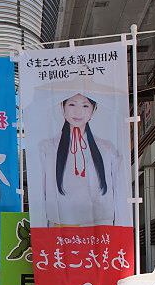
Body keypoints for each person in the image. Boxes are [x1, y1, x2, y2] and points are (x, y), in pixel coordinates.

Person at [36, 90, 130, 227]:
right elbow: (39, 195)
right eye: (72, 104)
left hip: (99, 229)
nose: (78, 112)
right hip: (59, 230)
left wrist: (121, 229)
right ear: (62, 108)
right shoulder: (46, 149)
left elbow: (121, 193)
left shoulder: (107, 150)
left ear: (93, 110)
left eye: (85, 106)